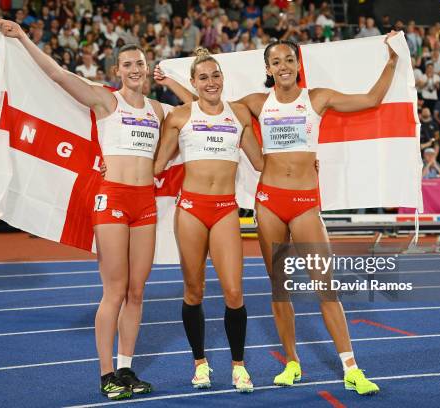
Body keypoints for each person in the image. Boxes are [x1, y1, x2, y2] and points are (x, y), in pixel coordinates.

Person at [157, 33, 400, 395]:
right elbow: (206, 105)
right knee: (280, 289)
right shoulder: (255, 102)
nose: (283, 66)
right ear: (268, 69)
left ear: (297, 64)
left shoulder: (317, 98)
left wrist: (392, 60)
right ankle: (291, 363)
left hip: (304, 204)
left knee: (325, 287)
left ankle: (351, 366)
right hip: (269, 201)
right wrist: (174, 84)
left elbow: (371, 99)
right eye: (276, 62)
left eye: (289, 60)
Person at [0, 18, 166, 400]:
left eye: (140, 64)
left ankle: (125, 368)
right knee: (115, 290)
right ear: (117, 71)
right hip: (113, 198)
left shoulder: (158, 109)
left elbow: (201, 119)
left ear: (148, 66)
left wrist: (174, 83)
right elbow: (57, 74)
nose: (135, 70)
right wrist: (22, 37)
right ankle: (106, 374)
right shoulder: (106, 100)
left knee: (137, 292)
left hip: (145, 204)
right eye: (128, 65)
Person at [154, 48, 263, 393]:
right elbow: (156, 166)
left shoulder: (240, 114)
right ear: (194, 82)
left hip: (225, 210)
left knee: (234, 291)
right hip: (190, 210)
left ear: (222, 78)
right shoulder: (180, 117)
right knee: (194, 289)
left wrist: (302, 164)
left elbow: (260, 163)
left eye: (215, 75)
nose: (211, 82)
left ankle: (238, 367)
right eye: (203, 77)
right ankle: (200, 363)